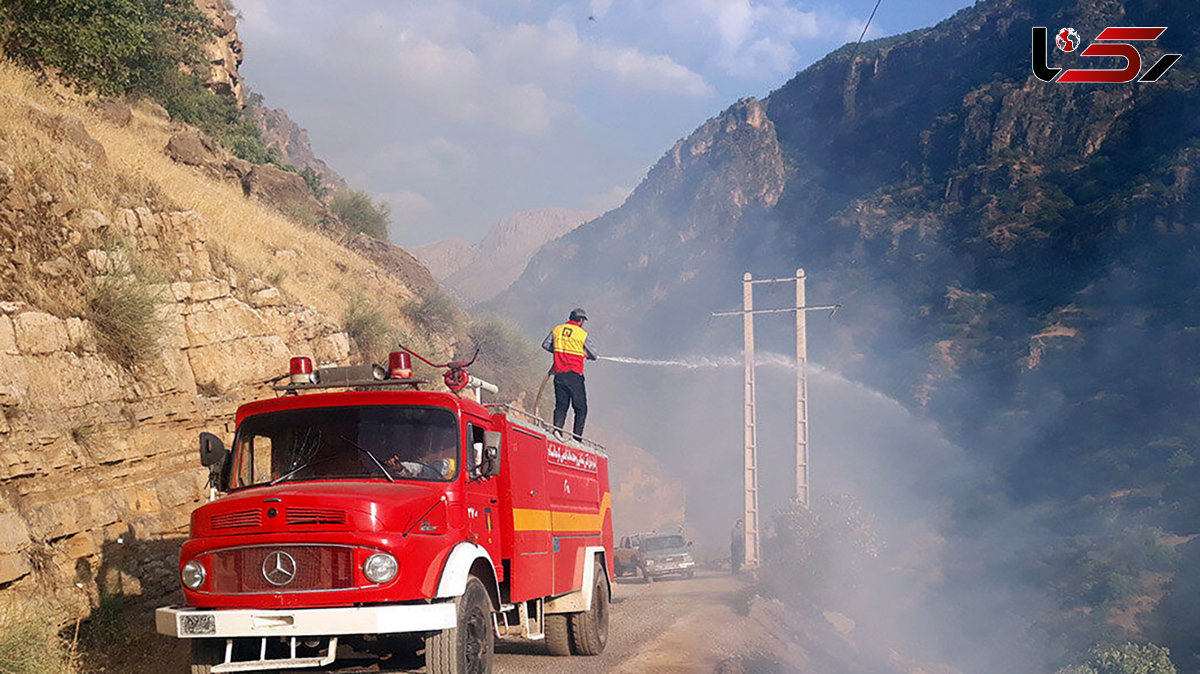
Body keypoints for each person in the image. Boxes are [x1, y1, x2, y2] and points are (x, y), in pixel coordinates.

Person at [542, 307, 597, 438]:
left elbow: (545, 345)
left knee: (561, 406)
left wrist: (559, 352)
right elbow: (594, 354)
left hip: (559, 374)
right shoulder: (582, 334)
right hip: (574, 375)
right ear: (581, 320)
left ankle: (557, 432)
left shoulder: (557, 330)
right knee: (580, 408)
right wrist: (584, 355)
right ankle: (577, 439)